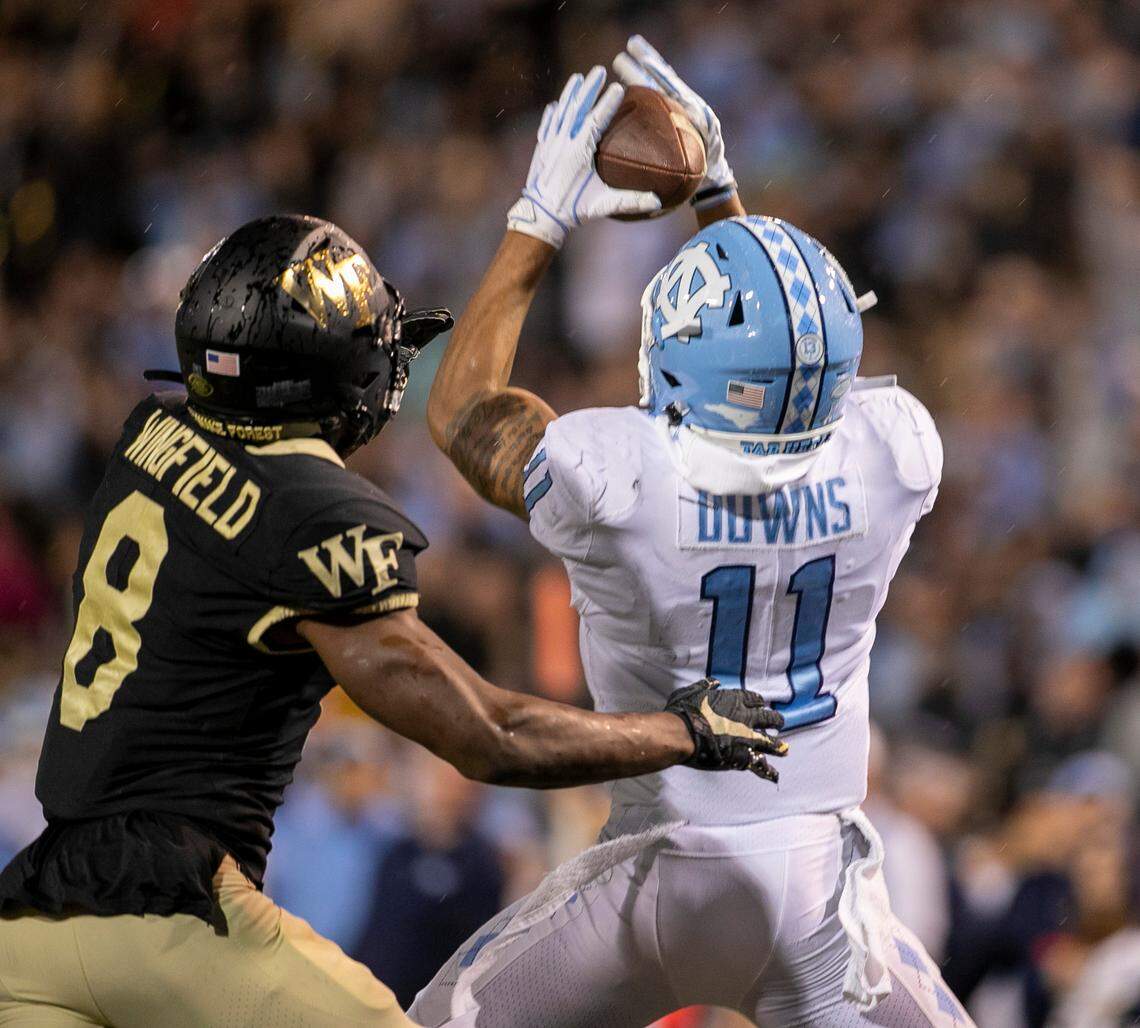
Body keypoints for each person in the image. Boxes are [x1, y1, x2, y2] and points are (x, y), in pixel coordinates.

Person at [0, 213, 788, 1027]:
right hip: (173, 920)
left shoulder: (151, 433)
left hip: (31, 926)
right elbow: (490, 735)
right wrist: (683, 731)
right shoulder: (316, 513)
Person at [413, 38, 974, 1027]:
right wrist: (722, 195)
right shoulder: (895, 454)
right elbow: (792, 368)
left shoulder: (619, 477)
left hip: (656, 871)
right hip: (821, 890)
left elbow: (464, 411)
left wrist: (538, 213)